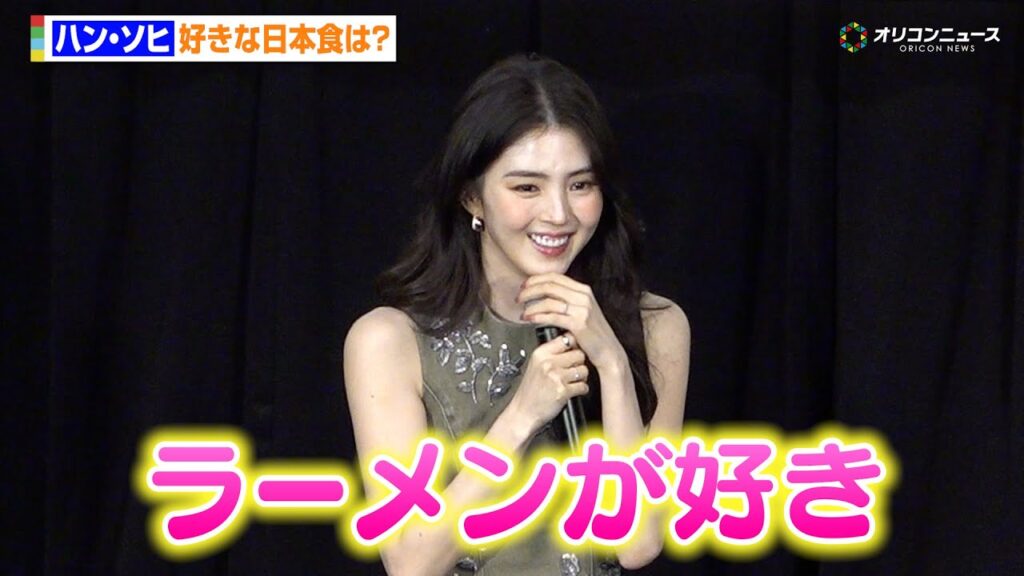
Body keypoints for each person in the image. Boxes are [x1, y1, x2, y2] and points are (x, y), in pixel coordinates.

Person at [344, 53, 690, 576]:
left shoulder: (657, 324)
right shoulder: (389, 340)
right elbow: (410, 561)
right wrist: (522, 416)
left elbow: (637, 544)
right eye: (527, 187)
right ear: (472, 197)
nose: (558, 213)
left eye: (580, 185)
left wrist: (612, 364)